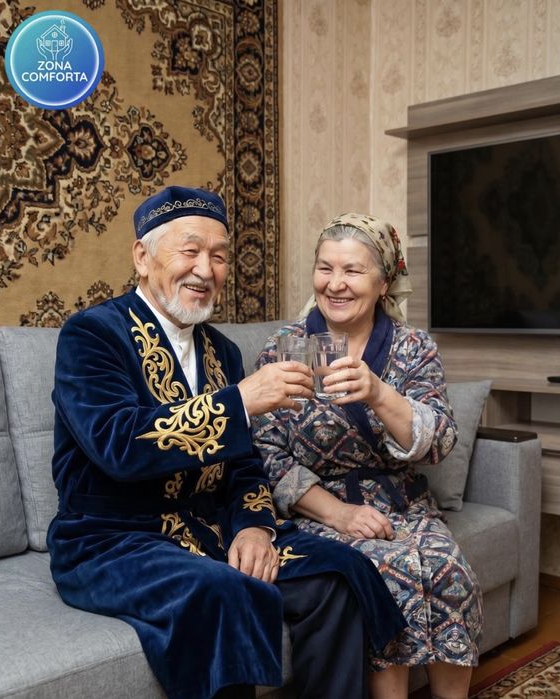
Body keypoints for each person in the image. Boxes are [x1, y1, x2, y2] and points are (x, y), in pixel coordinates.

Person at [46, 189, 407, 699]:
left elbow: (244, 465)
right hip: (111, 541)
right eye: (190, 251)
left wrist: (255, 527)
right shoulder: (92, 335)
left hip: (208, 531)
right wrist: (239, 402)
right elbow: (118, 444)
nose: (205, 269)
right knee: (223, 592)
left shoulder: (221, 350)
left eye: (218, 256)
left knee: (341, 573)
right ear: (142, 257)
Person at [252, 213, 483, 699]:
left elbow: (440, 442)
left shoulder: (412, 347)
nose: (335, 283)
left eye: (352, 270)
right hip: (320, 511)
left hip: (403, 505)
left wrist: (379, 393)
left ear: (383, 283)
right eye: (325, 268)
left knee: (451, 572)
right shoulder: (289, 347)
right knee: (387, 575)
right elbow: (266, 452)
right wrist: (340, 514)